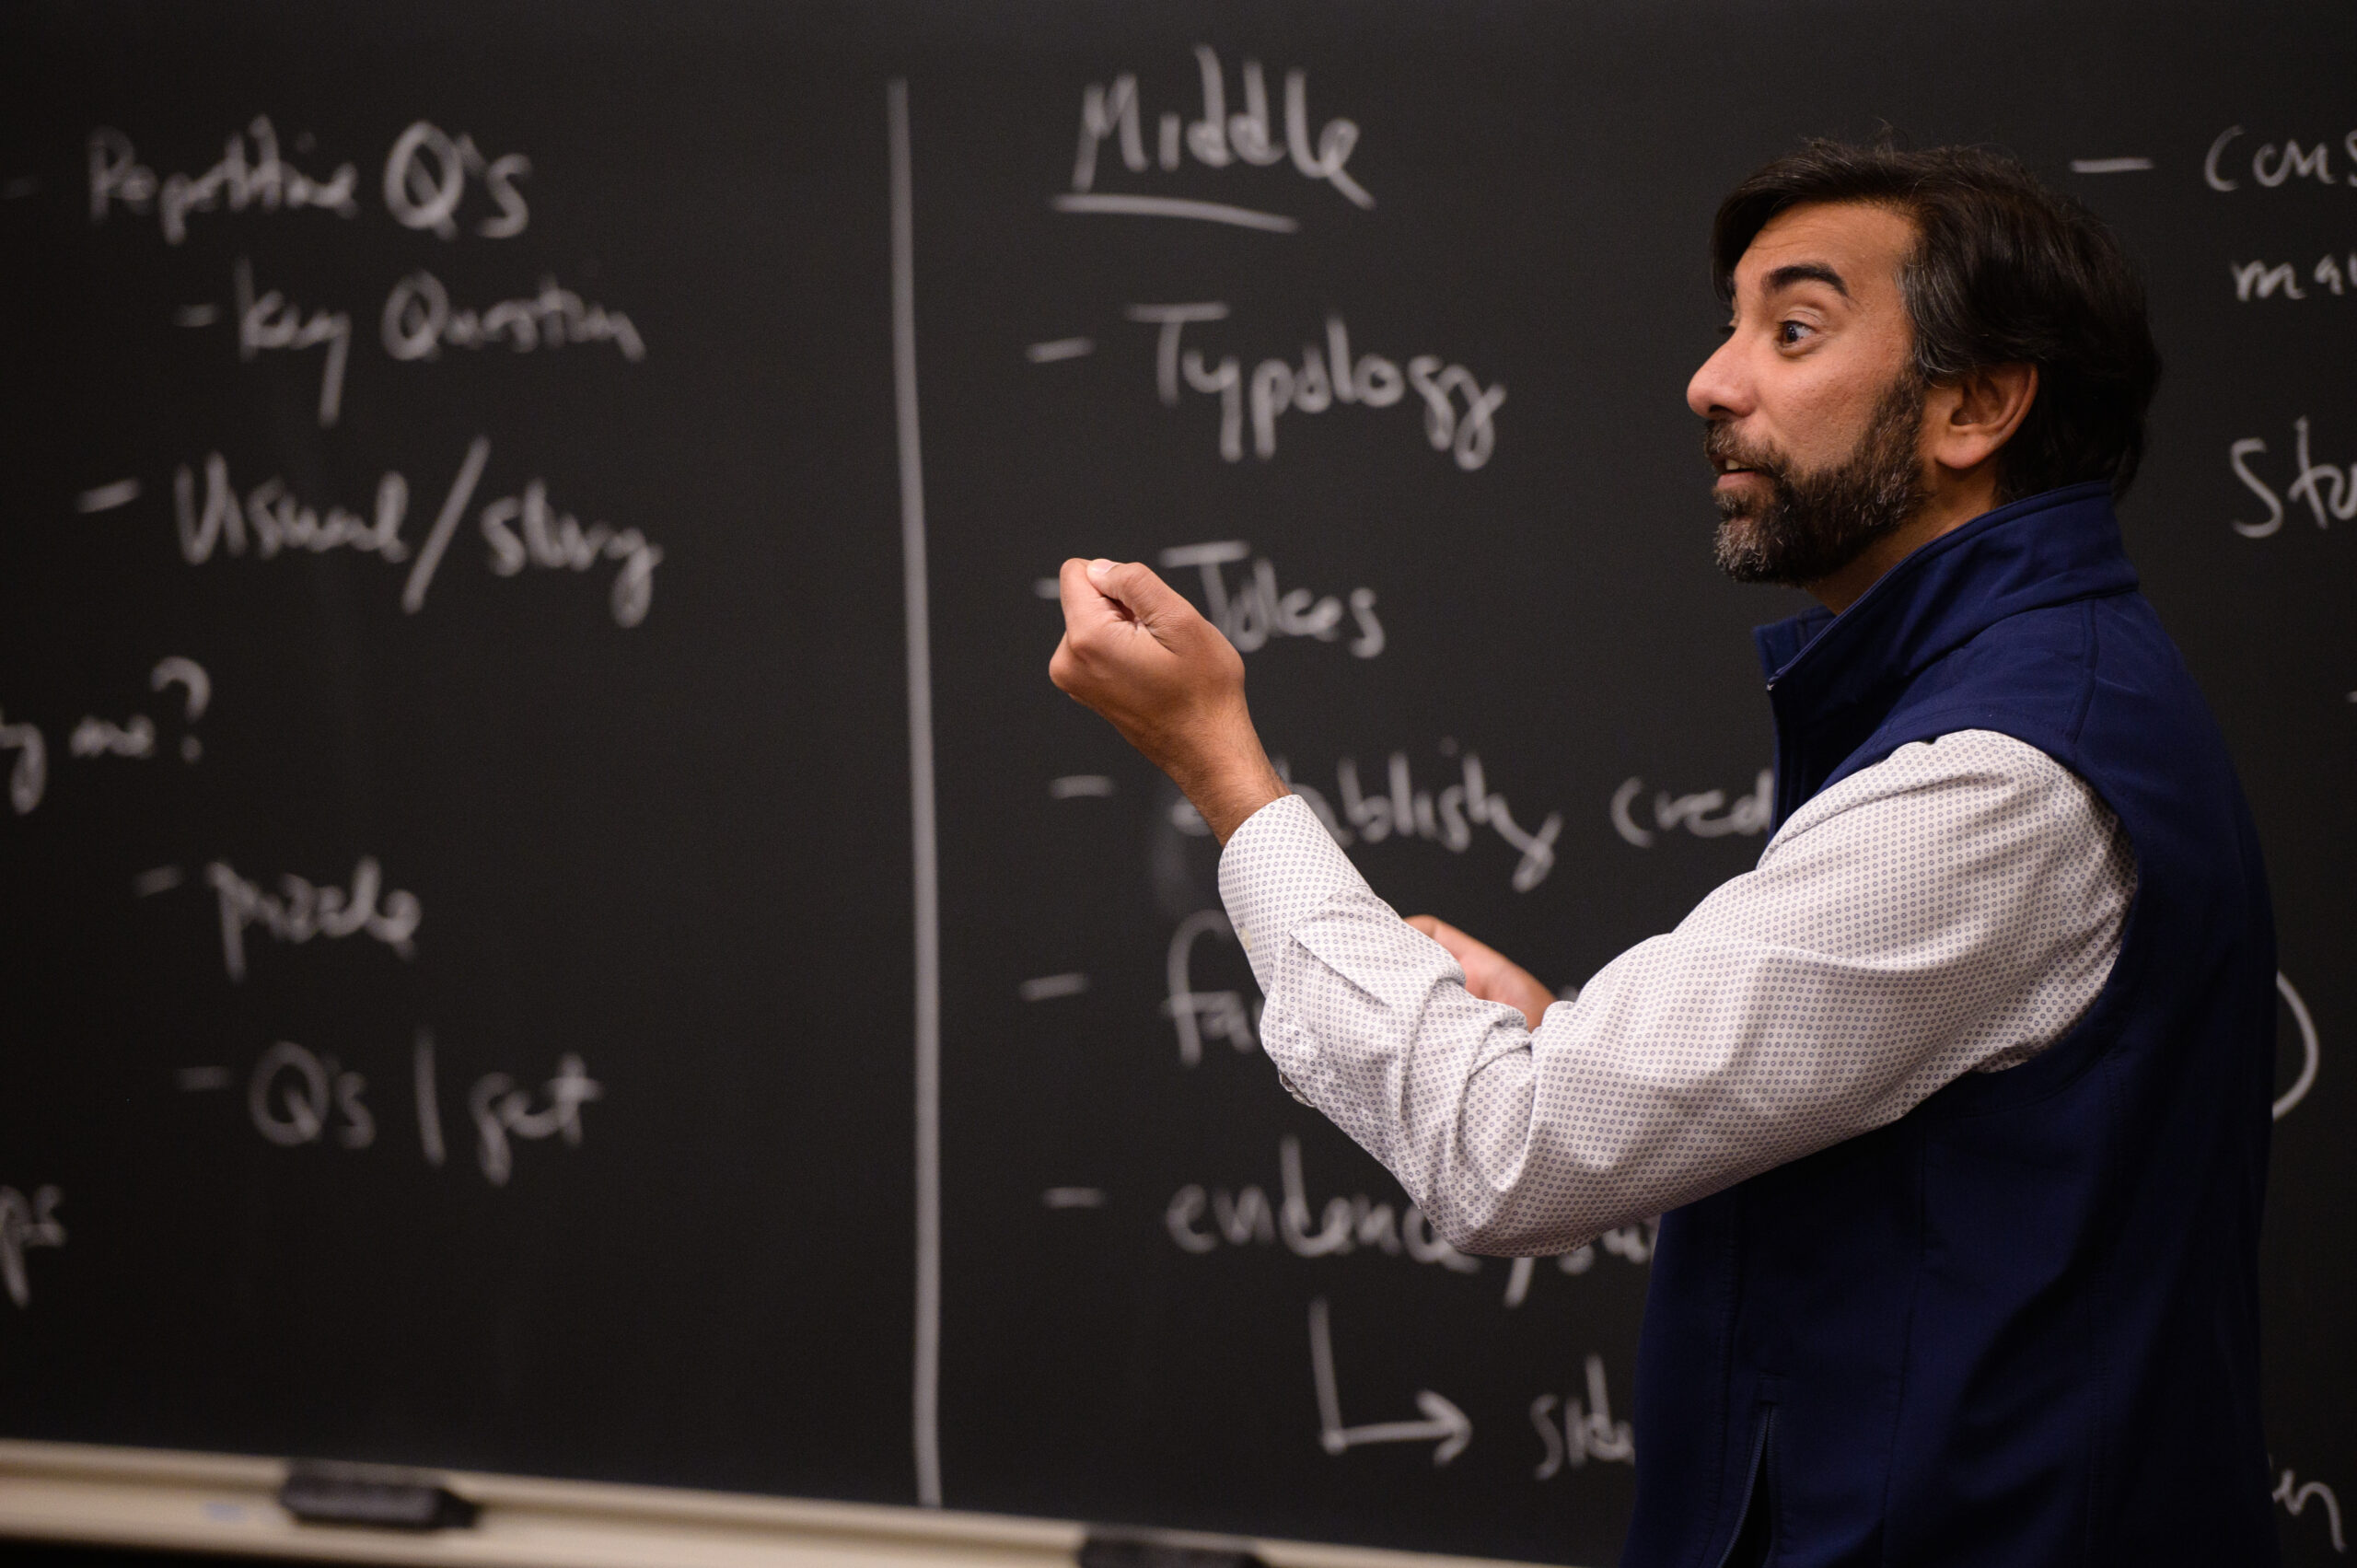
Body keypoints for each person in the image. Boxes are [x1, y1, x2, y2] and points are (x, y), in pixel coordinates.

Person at [1048, 141, 2278, 1565]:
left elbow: (1505, 1156)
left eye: (1793, 329)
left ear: (1977, 403)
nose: (1712, 380)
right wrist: (1566, 1034)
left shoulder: (1992, 787)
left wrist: (1224, 767)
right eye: (1733, 323)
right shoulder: (2014, 701)